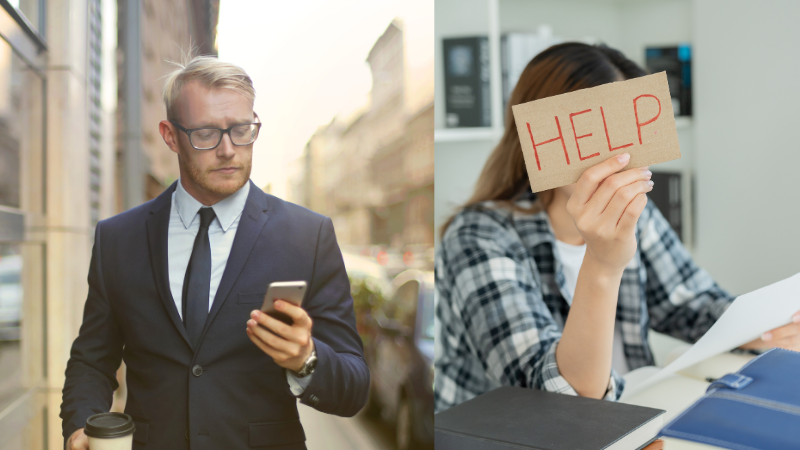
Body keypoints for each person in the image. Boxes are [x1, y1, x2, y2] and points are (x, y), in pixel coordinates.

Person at [434, 43, 800, 413]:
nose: (613, 157)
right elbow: (563, 401)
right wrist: (603, 262)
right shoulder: (477, 236)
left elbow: (691, 304)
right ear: (540, 139)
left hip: (635, 415)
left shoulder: (636, 214)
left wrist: (764, 331)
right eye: (592, 133)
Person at [61, 55, 369, 449]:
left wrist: (306, 359)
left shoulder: (309, 236)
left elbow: (355, 387)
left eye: (242, 129)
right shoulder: (117, 238)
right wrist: (79, 427)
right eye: (206, 133)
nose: (228, 150)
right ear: (170, 136)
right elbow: (91, 360)